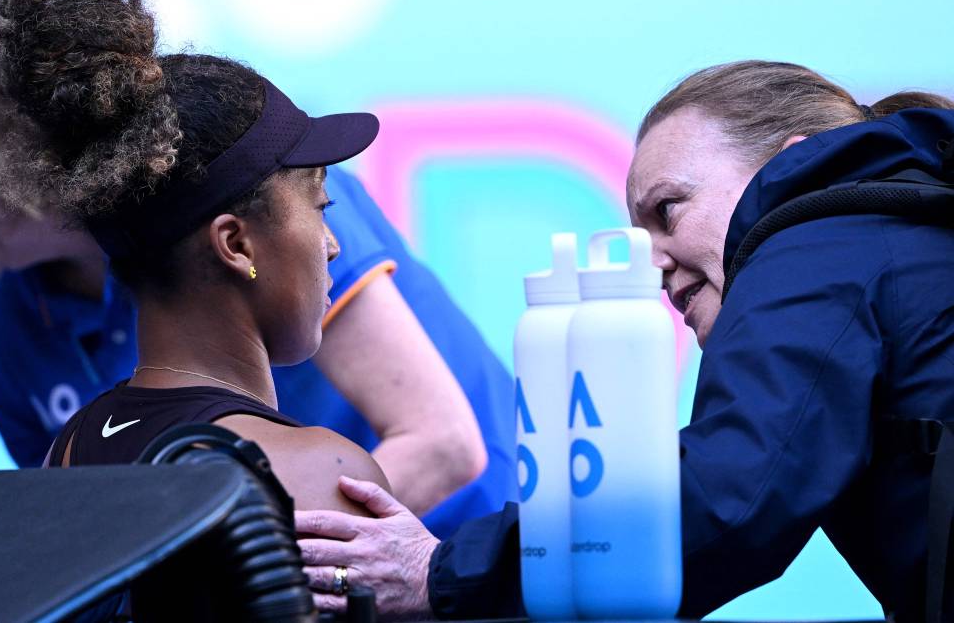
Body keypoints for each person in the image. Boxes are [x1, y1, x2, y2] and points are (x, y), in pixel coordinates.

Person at [292, 61, 954, 622]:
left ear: (789, 160)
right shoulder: (886, 233)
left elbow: (724, 502)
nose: (655, 261)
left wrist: (438, 571)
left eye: (668, 210)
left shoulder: (816, 240)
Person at [0, 0, 515, 534]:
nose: (330, 238)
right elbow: (76, 543)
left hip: (462, 551)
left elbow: (442, 444)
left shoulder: (267, 195)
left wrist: (240, 565)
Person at [0, 0, 398, 518]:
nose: (332, 246)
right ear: (236, 244)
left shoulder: (69, 451)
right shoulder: (320, 474)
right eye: (319, 208)